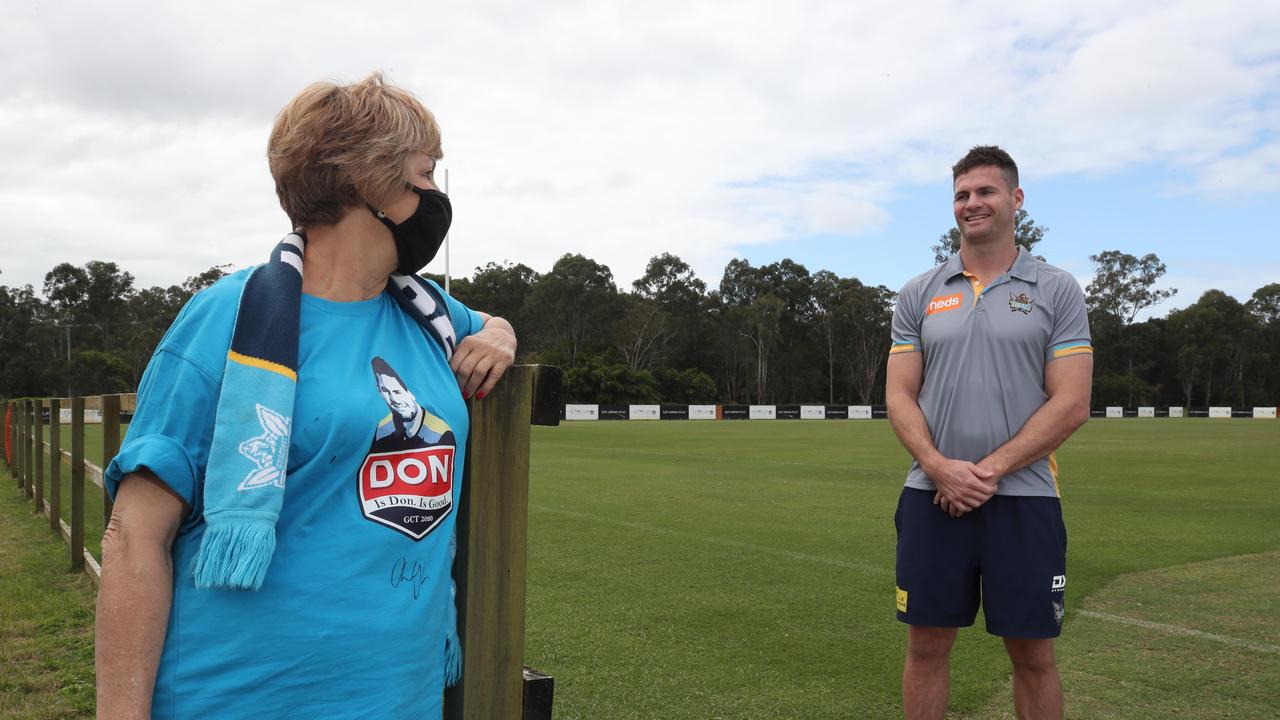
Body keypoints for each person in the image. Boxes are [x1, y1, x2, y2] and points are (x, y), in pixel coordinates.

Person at [96, 73, 517, 719]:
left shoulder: (428, 314)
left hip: (400, 695)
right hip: (240, 696)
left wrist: (503, 334)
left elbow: (491, 325)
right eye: (426, 173)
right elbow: (133, 537)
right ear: (365, 178)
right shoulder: (227, 319)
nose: (435, 195)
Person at [885, 145, 1093, 720]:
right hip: (931, 495)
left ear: (1015, 199)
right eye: (962, 194)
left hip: (1024, 498)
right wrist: (939, 466)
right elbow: (899, 395)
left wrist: (987, 471)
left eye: (985, 192)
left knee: (1032, 655)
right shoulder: (919, 292)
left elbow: (1072, 402)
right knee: (925, 646)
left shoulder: (1056, 289)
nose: (972, 203)